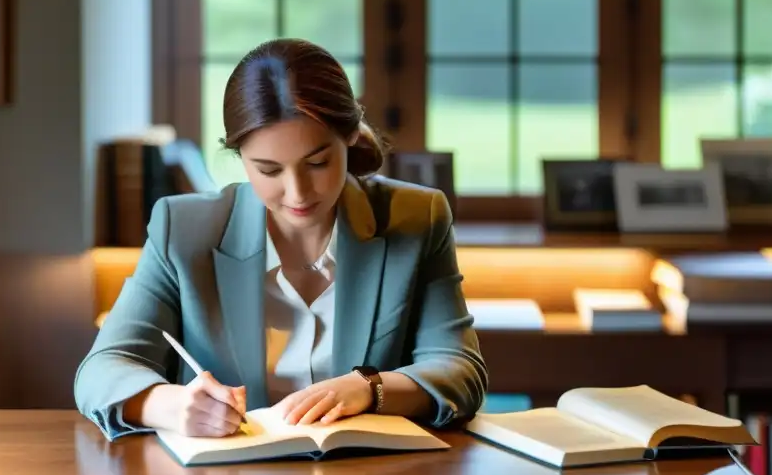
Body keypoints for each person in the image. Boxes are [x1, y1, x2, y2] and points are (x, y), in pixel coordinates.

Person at [75, 38, 488, 441]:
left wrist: (370, 388)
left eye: (318, 163)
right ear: (240, 158)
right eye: (269, 170)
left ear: (350, 137)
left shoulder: (416, 218)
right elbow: (103, 369)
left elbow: (459, 369)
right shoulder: (182, 228)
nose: (298, 192)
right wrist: (171, 405)